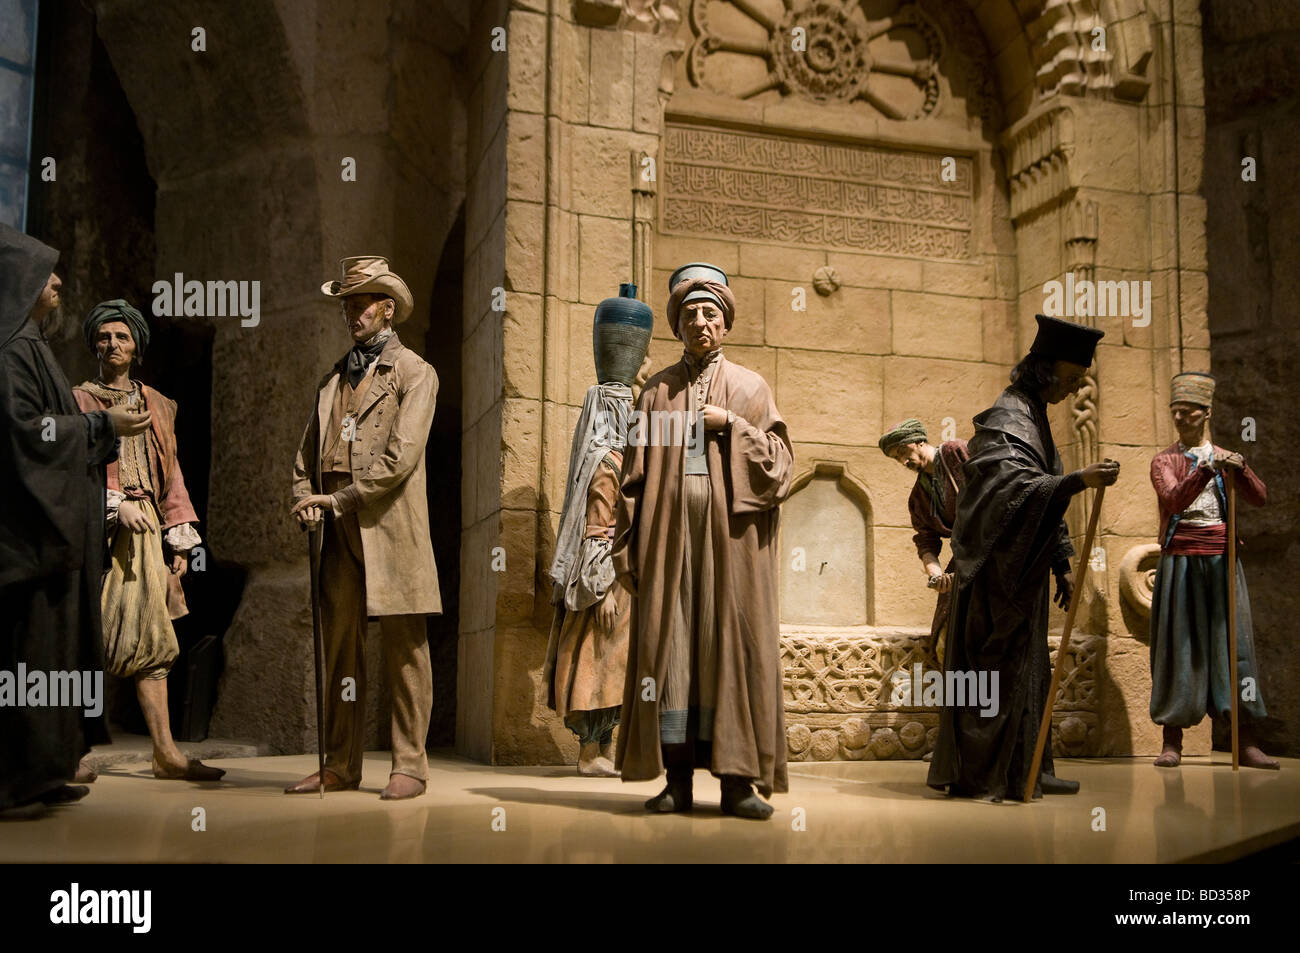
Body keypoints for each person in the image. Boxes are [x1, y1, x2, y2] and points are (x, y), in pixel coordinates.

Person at [613, 262, 794, 819]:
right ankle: (678, 782)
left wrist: (731, 427)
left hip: (731, 547)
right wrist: (627, 545)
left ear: (726, 322)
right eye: (688, 314)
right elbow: (633, 477)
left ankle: (738, 785)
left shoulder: (749, 388)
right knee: (672, 655)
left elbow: (780, 466)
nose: (699, 321)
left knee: (730, 651)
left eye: (709, 312)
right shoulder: (657, 394)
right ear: (676, 325)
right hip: (670, 544)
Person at [927, 314, 1120, 801]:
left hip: (1022, 572)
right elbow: (1009, 491)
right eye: (1072, 380)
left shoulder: (1034, 415)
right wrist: (1078, 481)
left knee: (1030, 670)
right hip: (994, 576)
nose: (1075, 391)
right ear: (1045, 369)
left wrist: (1061, 563)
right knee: (996, 672)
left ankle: (1029, 765)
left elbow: (1037, 492)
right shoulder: (1008, 416)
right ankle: (987, 775)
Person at [0, 225, 149, 818]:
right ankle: (13, 782)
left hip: (57, 539)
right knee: (27, 663)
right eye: (45, 273)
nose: (57, 281)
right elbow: (22, 434)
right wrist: (100, 428)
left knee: (56, 661)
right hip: (29, 541)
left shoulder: (30, 343)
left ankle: (47, 769)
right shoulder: (9, 350)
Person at [288, 256, 441, 800]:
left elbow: (401, 458)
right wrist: (304, 497)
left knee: (405, 648)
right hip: (337, 529)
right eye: (348, 304)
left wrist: (341, 499)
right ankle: (340, 764)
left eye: (362, 303)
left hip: (389, 525)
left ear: (388, 309)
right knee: (341, 650)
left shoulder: (416, 372)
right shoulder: (332, 380)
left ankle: (410, 765)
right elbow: (305, 457)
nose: (352, 313)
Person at [72, 300, 223, 782]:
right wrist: (114, 505)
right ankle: (69, 752)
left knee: (154, 639)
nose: (112, 344)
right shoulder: (77, 401)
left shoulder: (158, 403)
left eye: (122, 337)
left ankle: (165, 752)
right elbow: (67, 471)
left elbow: (171, 471)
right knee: (82, 639)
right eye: (104, 337)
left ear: (137, 346)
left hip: (147, 535)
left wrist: (180, 539)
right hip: (93, 535)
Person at [543, 286, 649, 776]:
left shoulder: (622, 458)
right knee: (597, 664)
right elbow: (597, 529)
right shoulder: (608, 462)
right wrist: (602, 587)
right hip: (606, 582)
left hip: (625, 580)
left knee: (617, 666)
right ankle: (590, 751)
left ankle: (605, 750)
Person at [1148, 371, 1278, 769]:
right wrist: (1206, 468)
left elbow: (1259, 498)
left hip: (1222, 561)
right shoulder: (1164, 461)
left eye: (1187, 412)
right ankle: (1173, 739)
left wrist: (1241, 468)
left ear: (1206, 413)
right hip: (1181, 563)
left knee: (1234, 648)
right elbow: (1173, 499)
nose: (1180, 419)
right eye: (1175, 413)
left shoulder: (1224, 457)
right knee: (1179, 646)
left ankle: (1245, 739)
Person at [878, 419, 969, 664]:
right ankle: (962, 700)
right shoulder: (918, 497)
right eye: (896, 459)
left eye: (903, 452)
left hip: (998, 551)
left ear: (920, 441)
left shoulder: (954, 452)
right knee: (944, 641)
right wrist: (936, 576)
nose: (903, 461)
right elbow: (926, 541)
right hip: (964, 561)